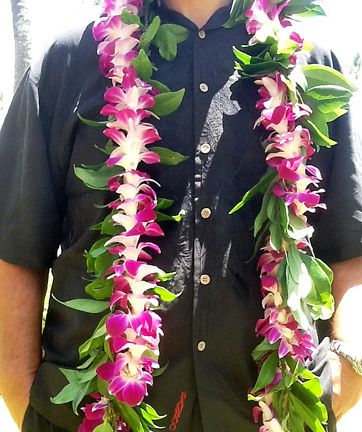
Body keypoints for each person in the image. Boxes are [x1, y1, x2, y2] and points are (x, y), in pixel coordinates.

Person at [0, 1, 361, 431]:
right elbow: (17, 245)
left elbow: (348, 243)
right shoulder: (69, 58)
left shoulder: (306, 60)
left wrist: (347, 375)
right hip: (92, 419)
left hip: (274, 416)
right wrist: (23, 396)